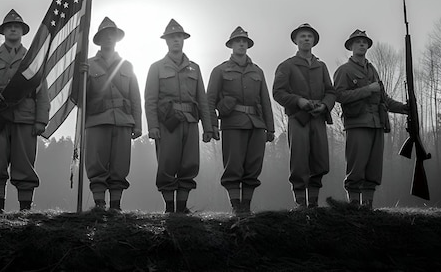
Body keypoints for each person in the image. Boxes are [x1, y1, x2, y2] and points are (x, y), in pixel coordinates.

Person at [0, 9, 49, 214]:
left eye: (17, 26)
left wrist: (41, 120)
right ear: (3, 31)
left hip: (25, 119)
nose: (13, 29)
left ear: (23, 31)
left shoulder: (33, 59)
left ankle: (25, 211)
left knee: (25, 165)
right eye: (9, 26)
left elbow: (42, 92)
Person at [144, 19, 214, 213]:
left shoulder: (195, 67)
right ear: (166, 41)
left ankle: (182, 208)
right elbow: (150, 99)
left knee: (189, 164)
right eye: (172, 38)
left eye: (179, 37)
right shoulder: (156, 67)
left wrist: (207, 127)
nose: (176, 41)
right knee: (167, 164)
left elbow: (203, 99)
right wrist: (153, 126)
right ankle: (169, 208)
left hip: (191, 121)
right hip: (167, 123)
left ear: (184, 40)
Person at [333, 29, 408, 209]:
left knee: (374, 168)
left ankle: (368, 206)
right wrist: (367, 90)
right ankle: (353, 206)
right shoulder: (344, 70)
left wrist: (405, 108)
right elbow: (339, 95)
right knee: (356, 166)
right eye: (358, 42)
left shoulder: (372, 70)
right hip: (357, 123)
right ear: (350, 46)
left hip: (377, 124)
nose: (361, 44)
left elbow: (384, 99)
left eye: (364, 42)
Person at [207, 27, 275, 214]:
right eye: (238, 41)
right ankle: (236, 205)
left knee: (253, 165)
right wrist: (212, 125)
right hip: (233, 123)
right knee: (233, 165)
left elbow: (265, 100)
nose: (242, 44)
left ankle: (246, 206)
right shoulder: (220, 70)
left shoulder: (258, 71)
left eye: (244, 41)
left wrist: (270, 128)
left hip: (256, 123)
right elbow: (209, 100)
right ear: (231, 45)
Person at [272, 23, 336, 209]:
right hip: (298, 118)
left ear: (314, 41)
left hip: (318, 118)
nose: (306, 39)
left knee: (320, 160)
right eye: (302, 36)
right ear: (295, 41)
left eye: (309, 36)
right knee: (299, 160)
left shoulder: (321, 66)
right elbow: (278, 92)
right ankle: (300, 204)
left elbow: (331, 91)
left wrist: (325, 105)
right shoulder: (286, 65)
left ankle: (314, 203)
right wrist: (299, 101)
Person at [85, 17, 142, 211]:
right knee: (96, 164)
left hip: (123, 121)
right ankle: (99, 204)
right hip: (97, 120)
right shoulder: (88, 65)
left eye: (112, 35)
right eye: (104, 35)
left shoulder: (127, 65)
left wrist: (138, 124)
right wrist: (80, 78)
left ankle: (116, 206)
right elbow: (78, 98)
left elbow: (135, 97)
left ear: (117, 39)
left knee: (120, 166)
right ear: (99, 40)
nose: (109, 38)